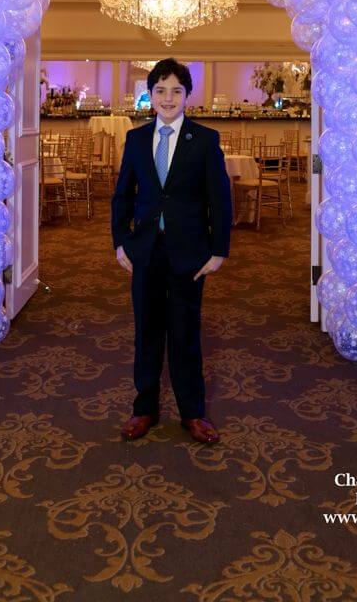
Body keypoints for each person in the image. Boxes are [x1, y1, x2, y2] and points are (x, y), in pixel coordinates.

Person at [111, 58, 232, 444]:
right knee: (146, 332)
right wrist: (119, 242)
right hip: (145, 252)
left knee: (185, 334)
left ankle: (192, 413)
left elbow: (220, 200)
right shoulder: (135, 139)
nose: (168, 98)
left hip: (189, 255)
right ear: (150, 95)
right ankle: (144, 408)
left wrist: (218, 251)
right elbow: (122, 196)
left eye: (176, 91)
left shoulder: (206, 140)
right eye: (160, 90)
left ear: (187, 96)